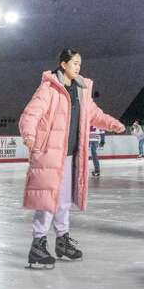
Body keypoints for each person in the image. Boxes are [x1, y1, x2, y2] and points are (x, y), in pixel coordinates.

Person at [19, 48, 125, 268]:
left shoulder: (81, 90)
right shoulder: (49, 89)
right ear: (63, 64)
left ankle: (62, 240)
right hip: (50, 153)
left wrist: (113, 123)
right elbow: (31, 113)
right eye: (75, 63)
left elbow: (94, 114)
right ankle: (38, 245)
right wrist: (28, 134)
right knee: (47, 201)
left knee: (64, 201)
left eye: (80, 63)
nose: (78, 67)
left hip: (71, 155)